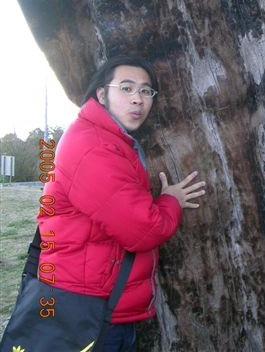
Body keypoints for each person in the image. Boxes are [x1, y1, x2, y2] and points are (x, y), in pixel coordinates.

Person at [38, 54, 206, 351]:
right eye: (126, 88)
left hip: (90, 297)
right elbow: (144, 230)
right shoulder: (94, 148)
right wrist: (170, 201)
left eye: (146, 91)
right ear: (101, 94)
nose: (138, 99)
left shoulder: (104, 138)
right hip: (87, 308)